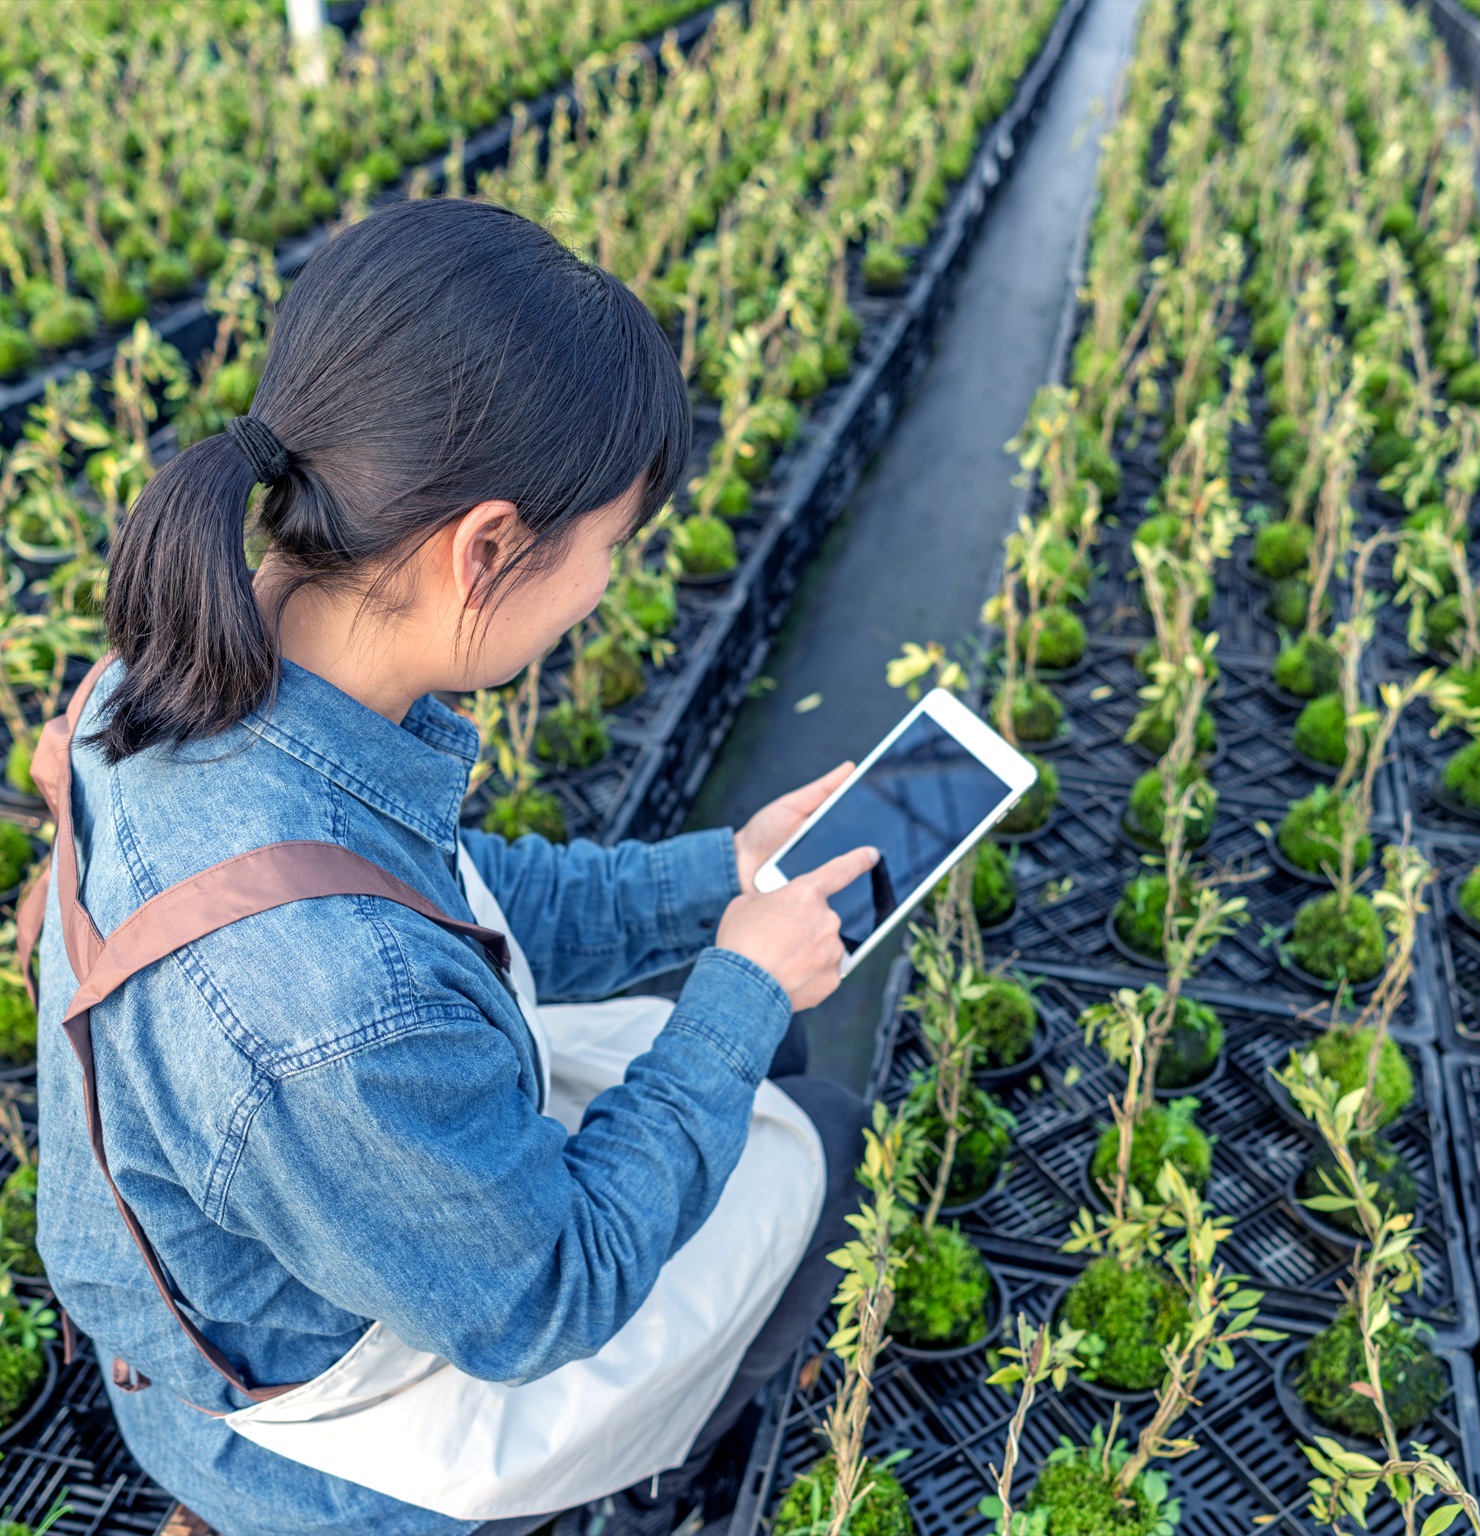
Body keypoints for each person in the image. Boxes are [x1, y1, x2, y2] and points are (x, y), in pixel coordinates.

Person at [31, 197, 875, 1536]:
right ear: (488, 549)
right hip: (296, 1431)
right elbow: (555, 1292)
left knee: (744, 1068)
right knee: (816, 1141)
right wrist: (736, 992)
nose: (607, 584)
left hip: (226, 1292)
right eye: (612, 546)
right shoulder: (334, 1007)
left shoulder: (178, 674)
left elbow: (463, 894)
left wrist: (727, 877)